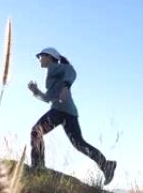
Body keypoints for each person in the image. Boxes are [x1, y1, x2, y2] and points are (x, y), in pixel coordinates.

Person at [27, 47, 117, 185]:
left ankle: (38, 168)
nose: (39, 59)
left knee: (36, 132)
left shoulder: (57, 67)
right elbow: (48, 98)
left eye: (41, 56)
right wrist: (36, 91)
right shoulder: (52, 73)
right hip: (67, 111)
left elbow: (71, 71)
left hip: (61, 110)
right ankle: (106, 165)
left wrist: (66, 87)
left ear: (49, 57)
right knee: (79, 143)